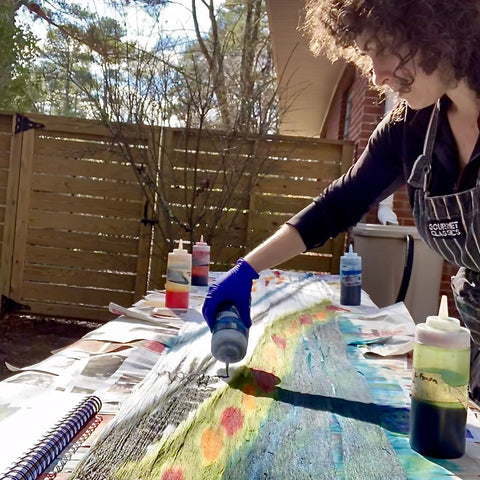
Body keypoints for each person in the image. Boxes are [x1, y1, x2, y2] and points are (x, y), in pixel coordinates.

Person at [202, 0, 480, 403]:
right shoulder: (410, 130)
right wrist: (247, 270)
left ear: (439, 26)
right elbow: (338, 204)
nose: (378, 75)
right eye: (368, 56)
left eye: (384, 48)